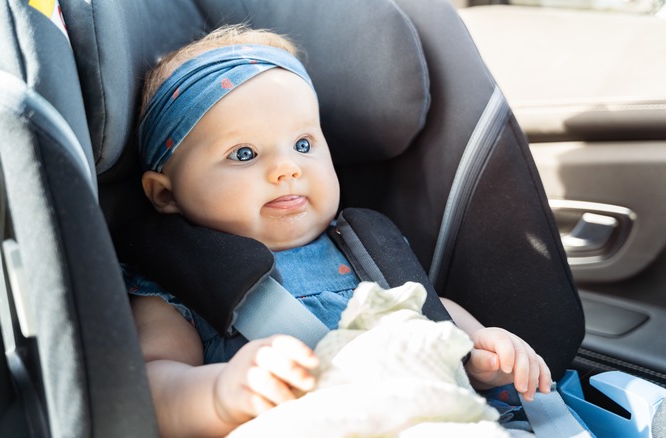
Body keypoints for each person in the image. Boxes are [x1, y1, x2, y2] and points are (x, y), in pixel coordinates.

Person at [127, 24, 551, 437]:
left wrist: (476, 348)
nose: (287, 168)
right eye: (244, 153)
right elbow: (153, 383)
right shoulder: (177, 283)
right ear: (165, 194)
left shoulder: (366, 245)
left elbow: (428, 311)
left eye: (304, 145)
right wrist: (219, 394)